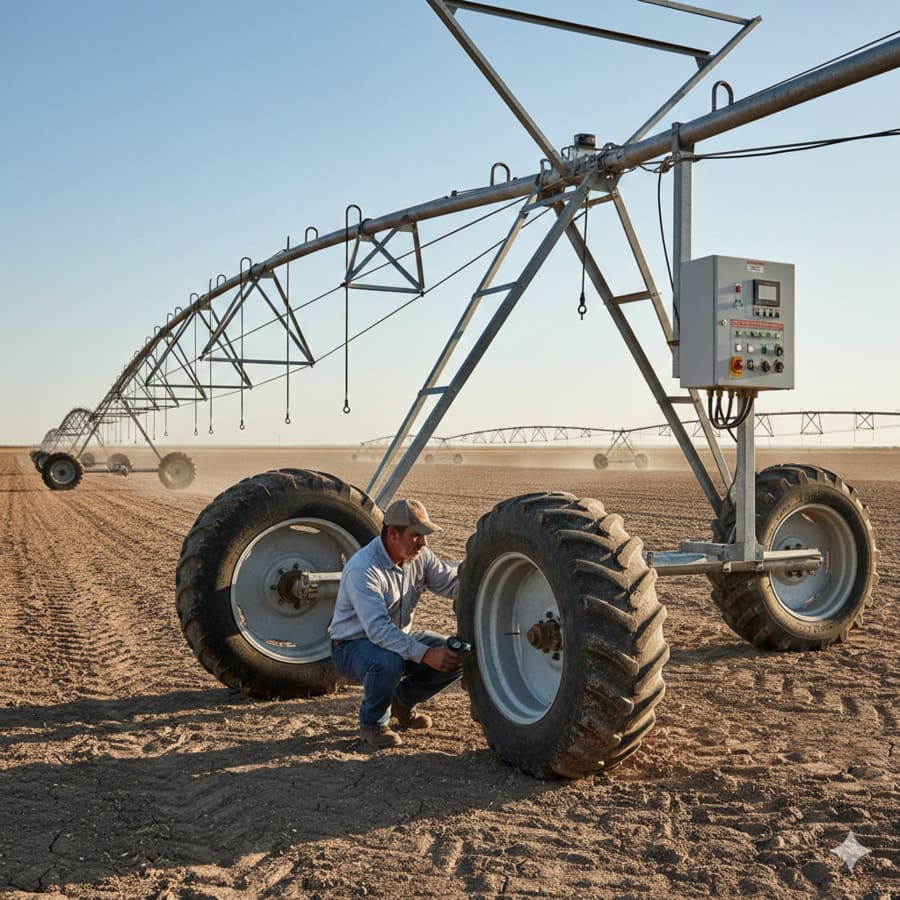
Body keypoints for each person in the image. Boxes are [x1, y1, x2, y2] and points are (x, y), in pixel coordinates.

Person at [329, 498, 462, 749]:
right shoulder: (364, 569)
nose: (423, 542)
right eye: (417, 535)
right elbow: (378, 631)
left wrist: (482, 577)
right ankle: (373, 725)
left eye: (425, 535)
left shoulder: (419, 556)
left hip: (397, 638)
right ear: (393, 533)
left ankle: (402, 701)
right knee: (387, 662)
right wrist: (425, 654)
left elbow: (451, 584)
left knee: (457, 654)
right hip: (353, 646)